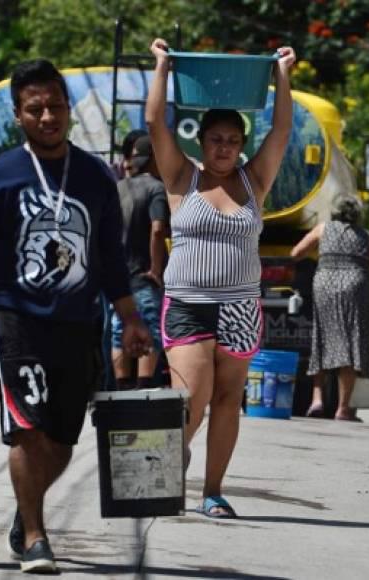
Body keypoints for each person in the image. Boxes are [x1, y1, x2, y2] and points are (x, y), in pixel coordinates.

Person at [0, 59, 151, 574]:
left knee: (63, 440)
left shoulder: (96, 177)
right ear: (18, 114)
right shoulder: (0, 176)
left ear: (67, 107)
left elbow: (111, 259)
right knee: (26, 428)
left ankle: (24, 510)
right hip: (16, 320)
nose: (48, 116)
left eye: (56, 105)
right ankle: (34, 536)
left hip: (78, 323)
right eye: (35, 109)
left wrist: (132, 319)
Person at [146, 38, 296, 518]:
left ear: (241, 145)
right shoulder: (181, 178)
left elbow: (282, 130)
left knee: (229, 400)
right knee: (193, 395)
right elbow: (154, 123)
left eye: (233, 140)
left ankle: (212, 492)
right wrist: (162, 68)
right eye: (216, 140)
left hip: (241, 306)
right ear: (201, 142)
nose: (225, 148)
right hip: (188, 302)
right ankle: (172, 457)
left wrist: (283, 77)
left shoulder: (255, 182)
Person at [291, 195, 369, 421]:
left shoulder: (323, 229)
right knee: (349, 343)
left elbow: (296, 254)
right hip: (355, 286)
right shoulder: (366, 236)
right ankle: (343, 409)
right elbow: (368, 262)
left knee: (322, 339)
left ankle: (317, 400)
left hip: (325, 284)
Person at [111, 135, 169, 389]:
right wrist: (155, 270)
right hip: (143, 275)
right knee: (150, 332)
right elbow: (157, 230)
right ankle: (143, 388)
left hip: (119, 279)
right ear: (154, 159)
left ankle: (122, 388)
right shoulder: (156, 188)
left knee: (117, 335)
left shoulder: (118, 188)